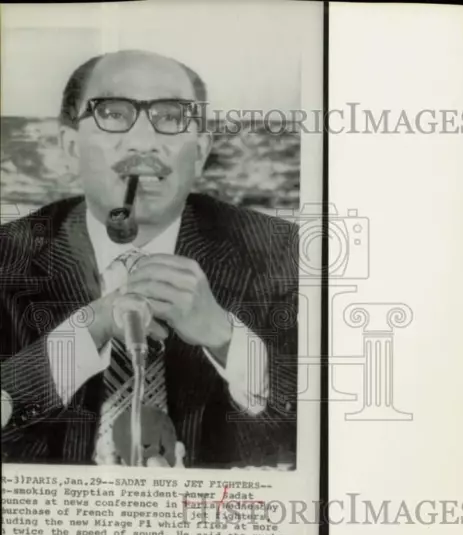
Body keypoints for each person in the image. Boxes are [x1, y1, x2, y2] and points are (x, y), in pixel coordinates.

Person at [0, 50, 298, 468]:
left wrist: (227, 339)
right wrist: (84, 334)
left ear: (200, 151)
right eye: (114, 113)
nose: (143, 142)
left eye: (172, 116)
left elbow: (331, 426)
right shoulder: (7, 256)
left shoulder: (285, 253)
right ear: (70, 146)